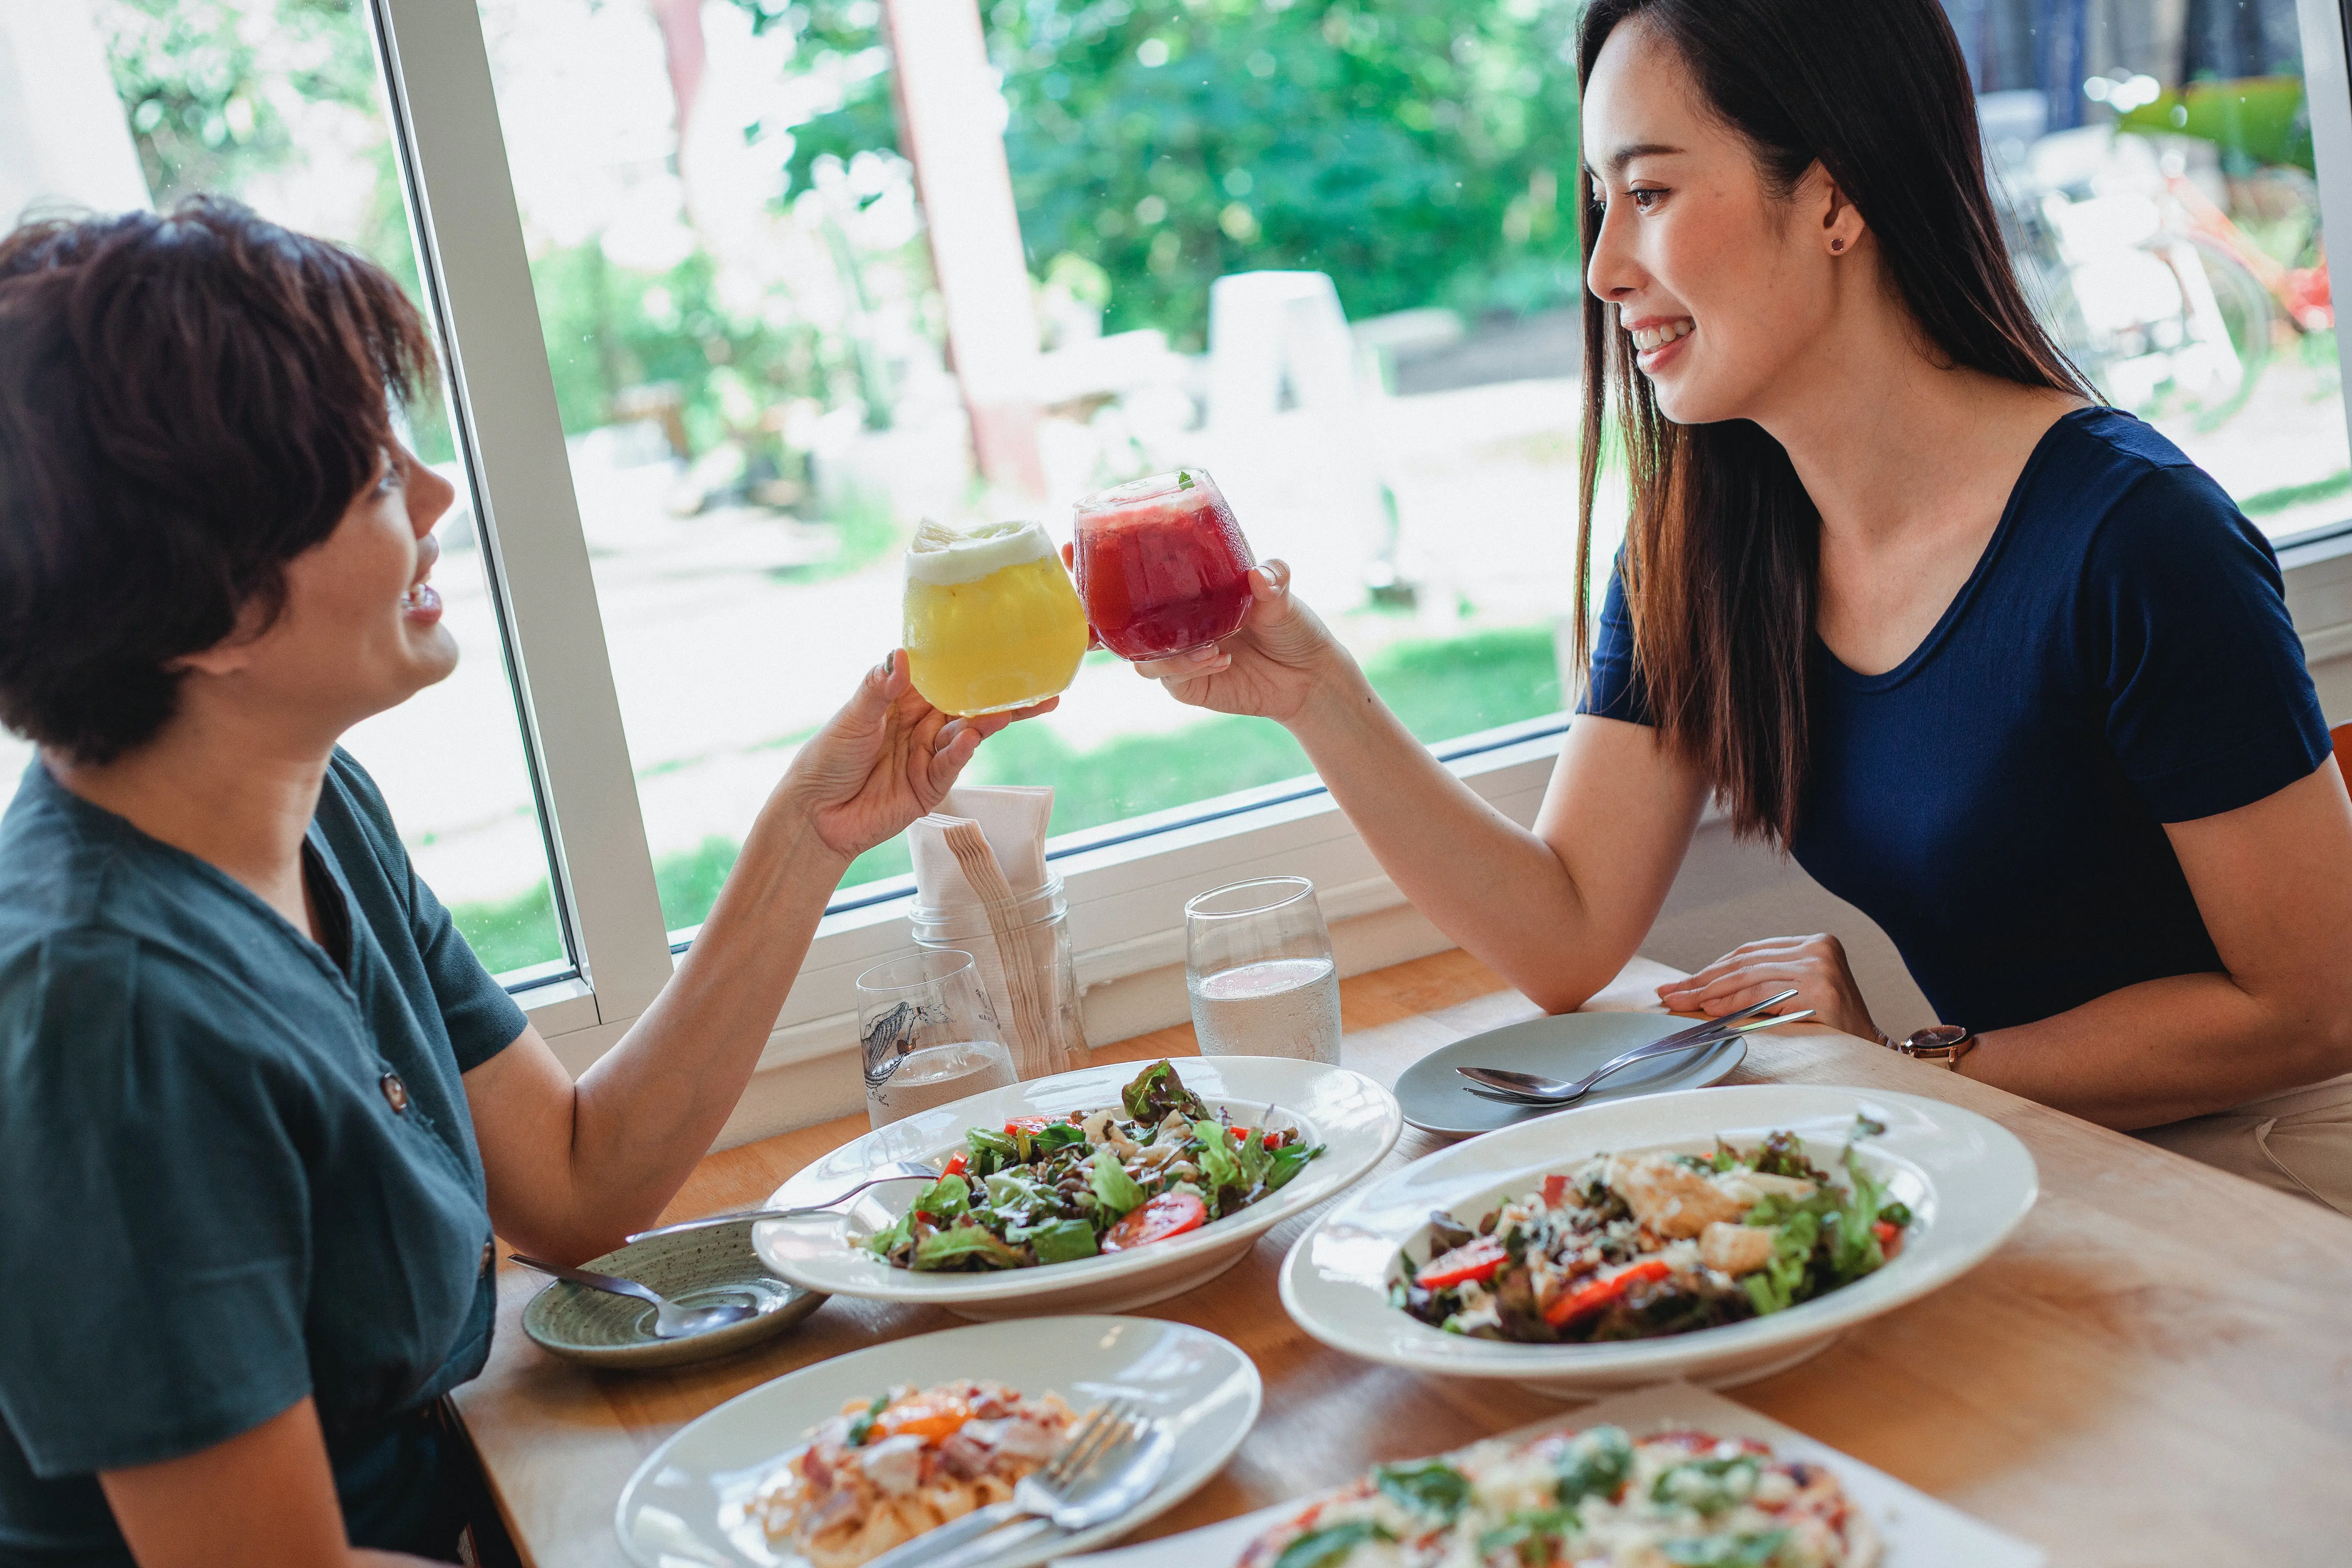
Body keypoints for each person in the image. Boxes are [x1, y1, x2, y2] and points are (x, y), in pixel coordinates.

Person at [1135, 0, 2352, 1213]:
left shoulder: (2138, 540)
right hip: (2022, 1154)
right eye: (1599, 205)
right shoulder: (1703, 549)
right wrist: (1323, 699)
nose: (1605, 268)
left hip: (2267, 1174)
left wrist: (1911, 1067)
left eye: (1650, 194)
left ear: (1833, 199)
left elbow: (2316, 1007)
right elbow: (1564, 932)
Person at [0, 198, 1049, 1565]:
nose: (437, 497)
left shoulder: (310, 814)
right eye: (376, 480)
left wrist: (811, 834)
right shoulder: (109, 1020)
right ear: (207, 607)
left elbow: (571, 1185)